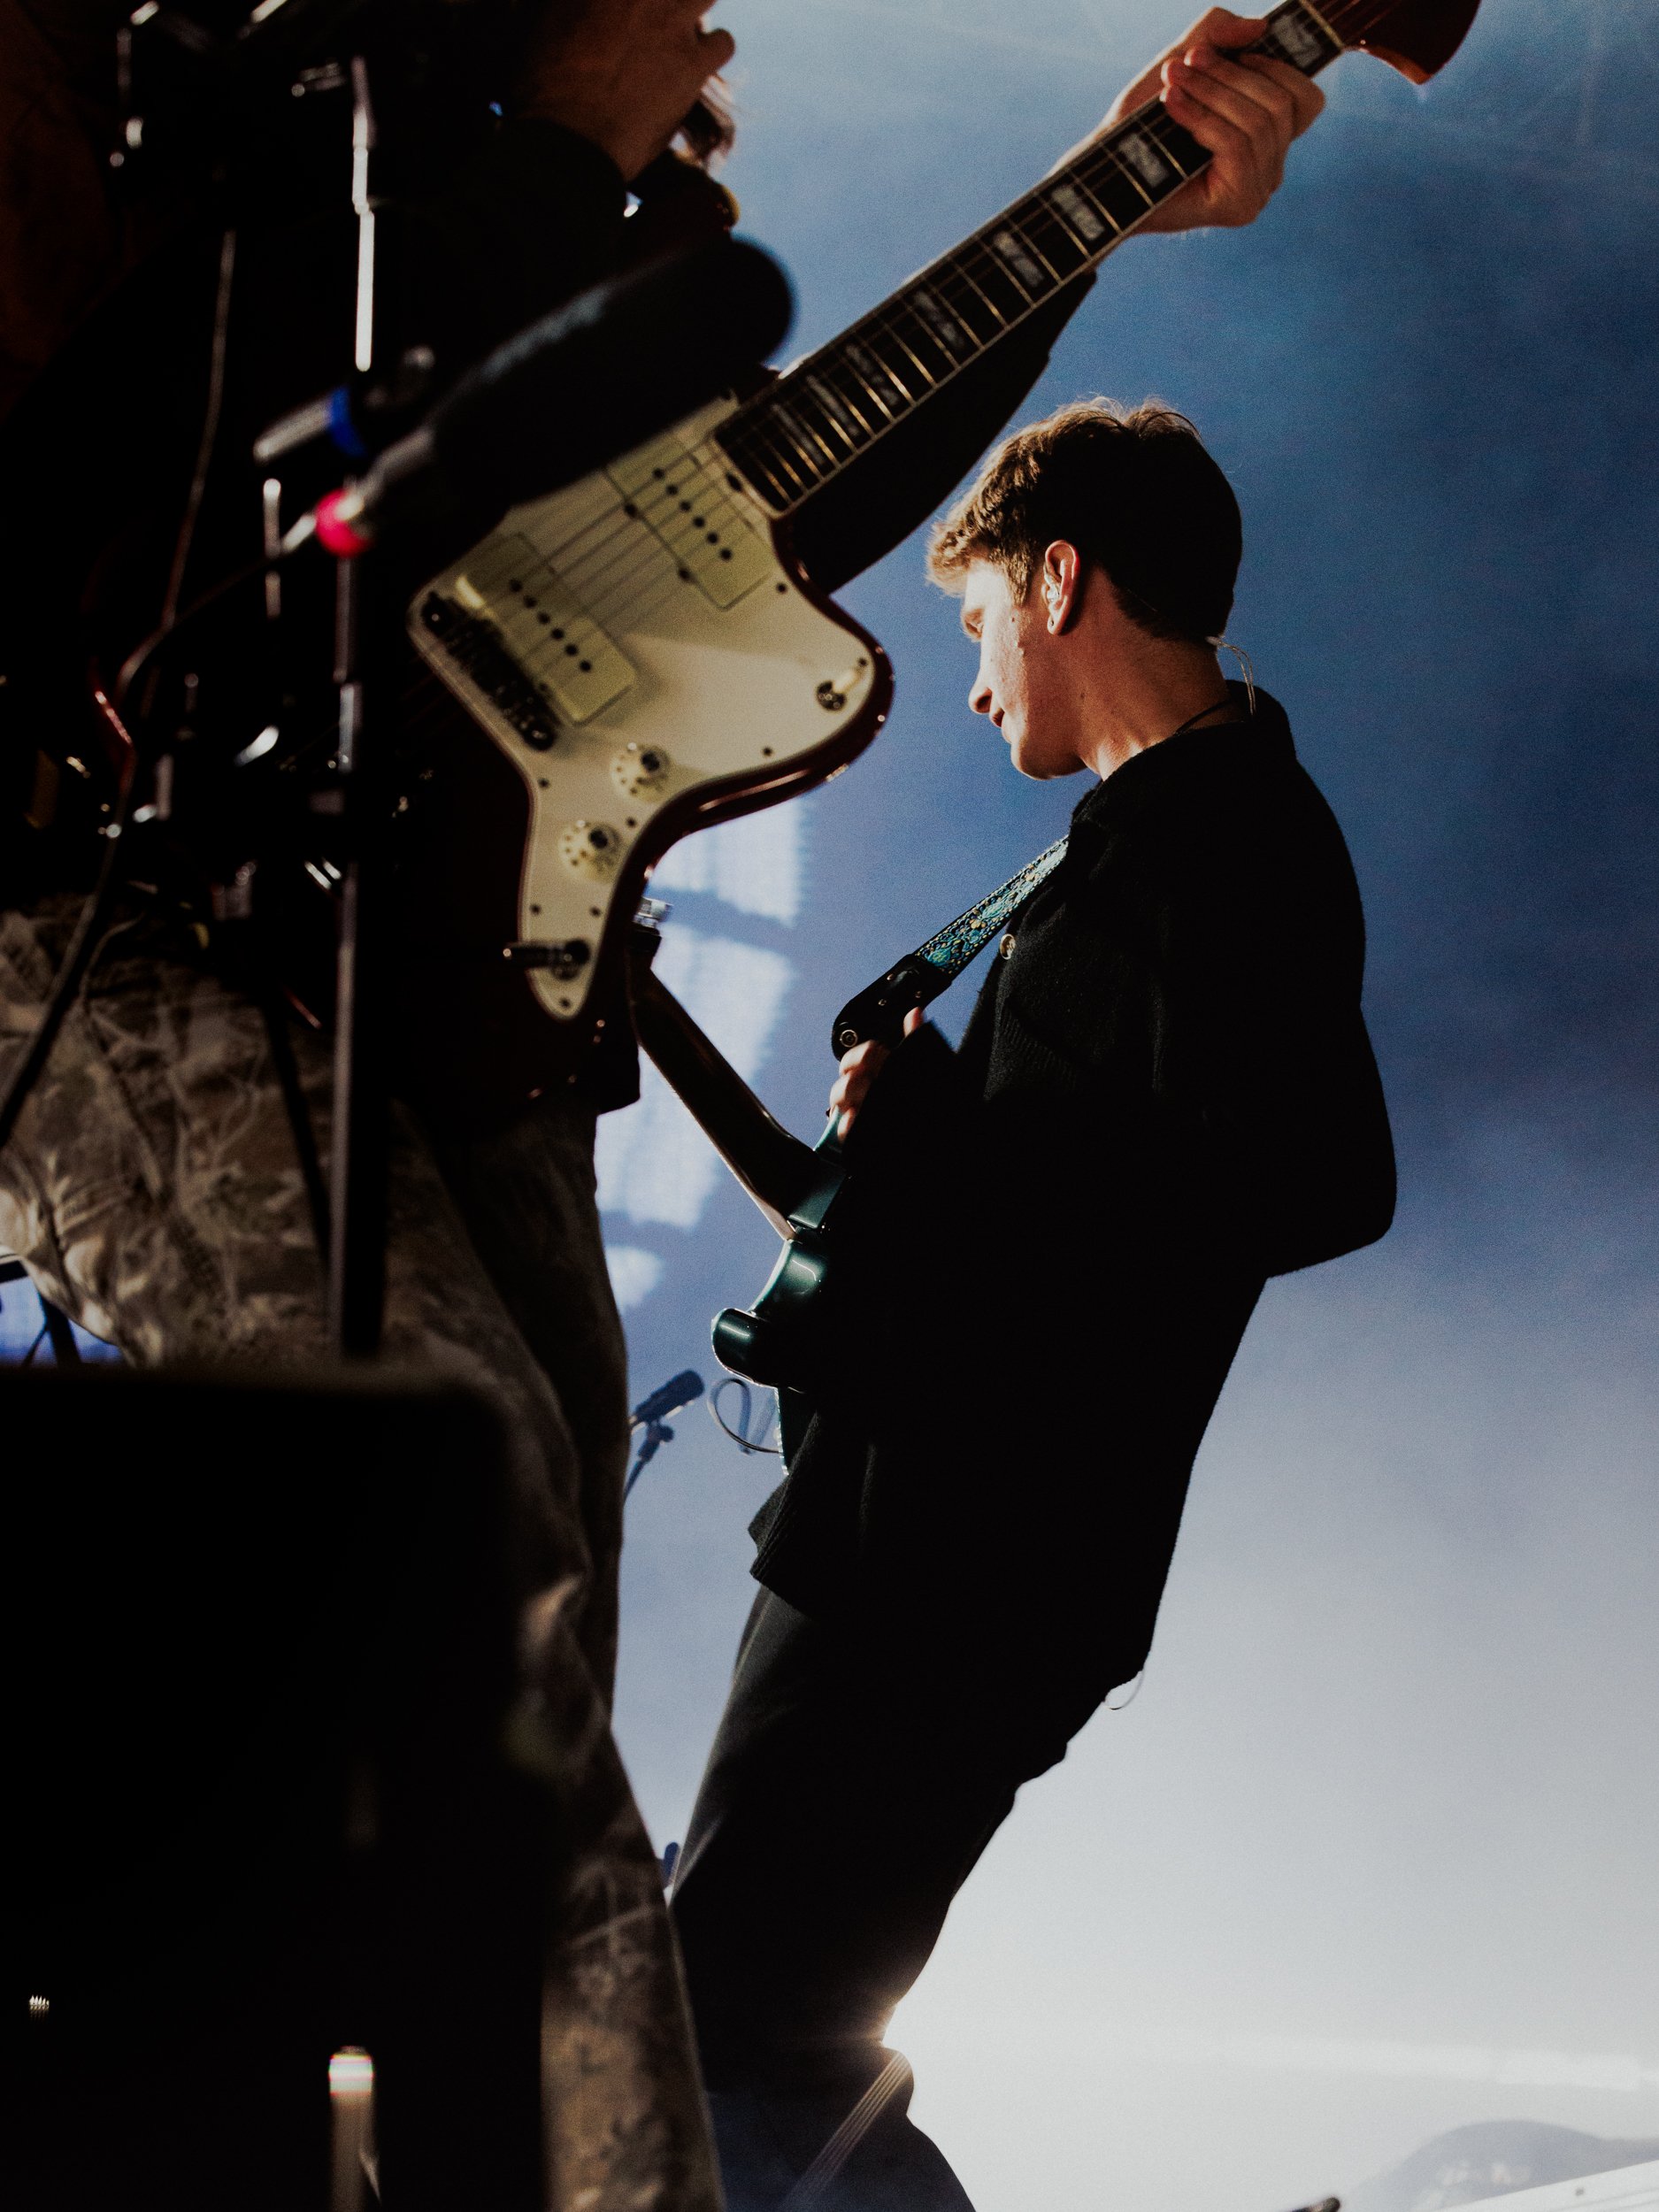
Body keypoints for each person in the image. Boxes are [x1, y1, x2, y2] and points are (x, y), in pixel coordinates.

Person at [0, 3, 1325, 2205]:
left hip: (458, 993)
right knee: (469, 1580)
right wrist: (543, 147)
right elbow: (174, 488)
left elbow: (731, 533)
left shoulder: (567, 169)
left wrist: (1105, 209)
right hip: (112, 916)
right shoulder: (158, 76)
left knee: (517, 1666)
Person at [669, 399, 1396, 2209]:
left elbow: (1314, 1173)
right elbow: (1021, 1201)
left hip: (954, 1551)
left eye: (979, 615)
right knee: (764, 2040)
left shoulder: (1220, 834)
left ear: (1057, 577)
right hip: (927, 1534)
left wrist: (959, 1169)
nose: (978, 679)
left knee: (723, 2036)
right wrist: (899, 1134)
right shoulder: (1143, 838)